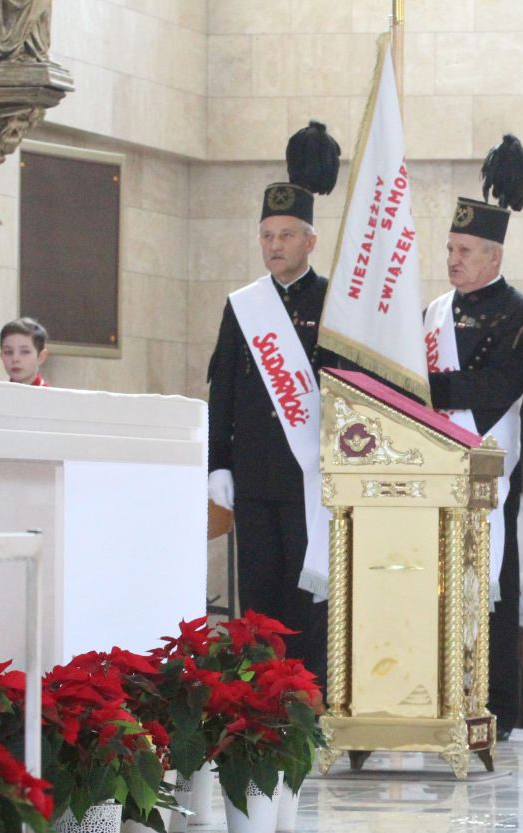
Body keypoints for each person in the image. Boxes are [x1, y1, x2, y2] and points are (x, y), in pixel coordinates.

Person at [207, 121, 341, 686]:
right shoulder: (244, 306)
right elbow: (223, 388)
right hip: (255, 473)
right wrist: (218, 461)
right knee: (259, 595)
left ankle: (308, 695)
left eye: (286, 235)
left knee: (307, 593)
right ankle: (260, 697)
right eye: (266, 236)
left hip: (309, 474)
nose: (274, 246)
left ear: (310, 241)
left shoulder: (333, 301)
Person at [422, 134, 523, 739]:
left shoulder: (520, 313)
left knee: (495, 587)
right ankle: (438, 691)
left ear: (493, 256)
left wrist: (436, 388)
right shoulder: (434, 312)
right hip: (434, 468)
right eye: (449, 249)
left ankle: (498, 704)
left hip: (489, 467)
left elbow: (497, 387)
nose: (453, 260)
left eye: (464, 250)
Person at [0, 317, 50, 385]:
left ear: (41, 357)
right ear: (1, 356)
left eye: (25, 352)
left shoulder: (48, 392)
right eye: (8, 352)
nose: (15, 359)